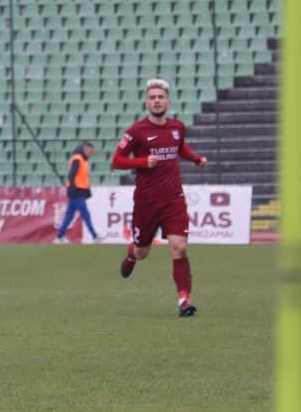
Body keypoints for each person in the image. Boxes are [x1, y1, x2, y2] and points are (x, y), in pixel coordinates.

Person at [111, 78, 207, 317]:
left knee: (179, 247)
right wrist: (142, 161)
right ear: (147, 102)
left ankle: (184, 300)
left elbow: (180, 147)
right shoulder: (136, 131)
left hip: (173, 198)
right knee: (143, 252)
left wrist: (195, 159)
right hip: (146, 201)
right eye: (152, 97)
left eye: (160, 97)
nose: (157, 101)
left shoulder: (177, 127)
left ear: (168, 101)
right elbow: (117, 160)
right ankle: (132, 255)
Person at [54, 142, 99, 244]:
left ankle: (59, 236)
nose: (91, 154)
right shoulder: (78, 159)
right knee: (85, 214)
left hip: (78, 190)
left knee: (69, 215)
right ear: (85, 149)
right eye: (90, 151)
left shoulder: (82, 160)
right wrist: (72, 188)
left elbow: (81, 177)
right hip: (76, 191)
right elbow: (72, 175)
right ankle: (94, 236)